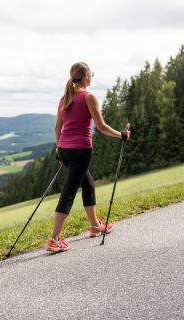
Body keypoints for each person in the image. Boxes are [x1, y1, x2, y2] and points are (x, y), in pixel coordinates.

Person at [47, 62, 131, 253]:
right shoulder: (88, 97)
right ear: (86, 77)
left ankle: (95, 225)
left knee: (88, 184)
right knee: (69, 191)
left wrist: (59, 151)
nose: (92, 77)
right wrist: (121, 134)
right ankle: (54, 239)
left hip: (66, 151)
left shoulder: (64, 98)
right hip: (81, 151)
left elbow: (57, 128)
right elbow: (100, 127)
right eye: (91, 74)